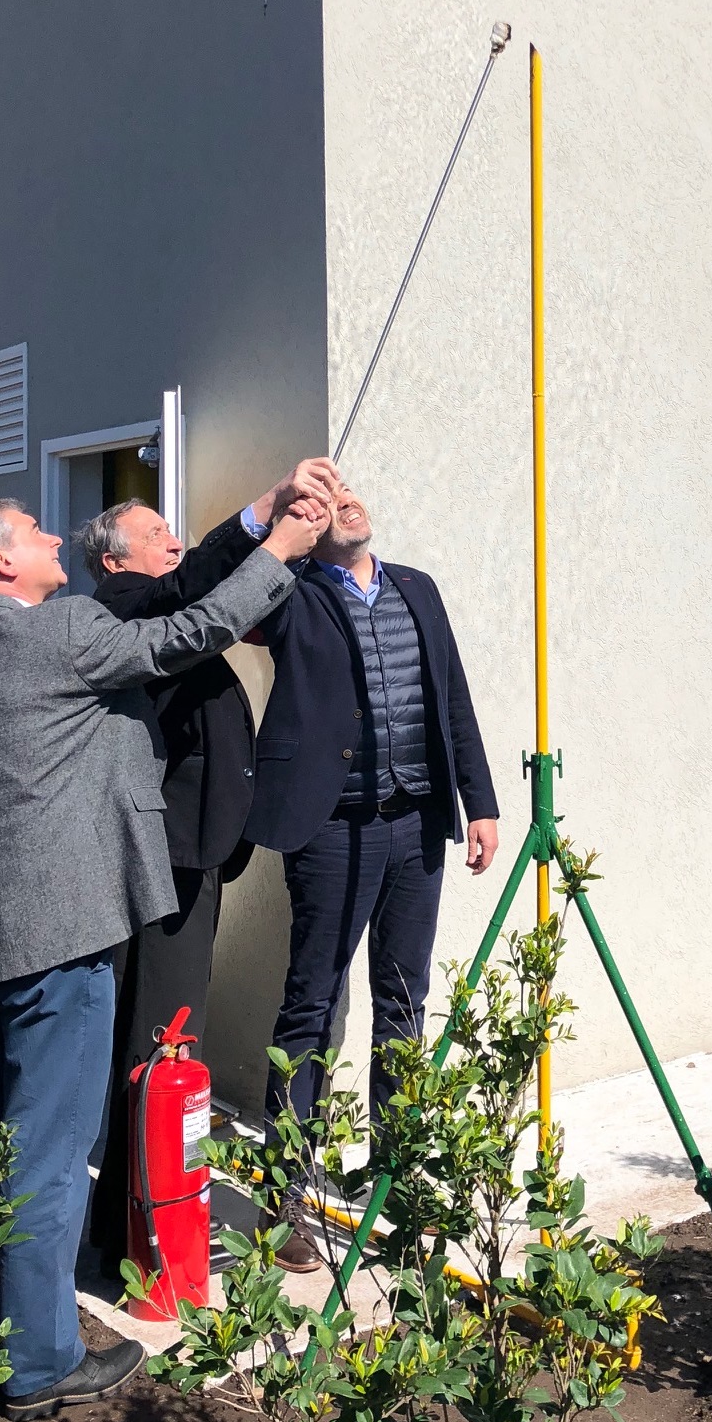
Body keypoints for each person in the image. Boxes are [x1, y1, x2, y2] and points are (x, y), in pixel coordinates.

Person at [0, 494, 324, 1420]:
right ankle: (37, 1364)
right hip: (62, 941)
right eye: (35, 532)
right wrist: (279, 547)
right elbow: (192, 631)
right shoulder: (64, 632)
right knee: (48, 1152)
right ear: (1, 565)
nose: (55, 537)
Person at [79, 457, 341, 1278]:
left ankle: (133, 1218)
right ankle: (140, 1231)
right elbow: (192, 587)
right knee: (159, 1040)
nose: (175, 544)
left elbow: (197, 587)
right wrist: (269, 524)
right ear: (116, 560)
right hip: (167, 860)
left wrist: (270, 515)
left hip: (194, 857)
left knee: (162, 1036)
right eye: (158, 535)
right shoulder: (121, 608)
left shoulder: (150, 605)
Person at [245, 483, 500, 1271]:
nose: (344, 504)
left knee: (404, 1004)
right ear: (306, 525)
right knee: (312, 1006)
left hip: (416, 824)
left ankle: (399, 1188)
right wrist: (270, 524)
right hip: (330, 829)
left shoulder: (417, 587)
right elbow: (231, 597)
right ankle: (285, 1197)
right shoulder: (289, 595)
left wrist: (481, 802)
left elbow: (451, 696)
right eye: (325, 502)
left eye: (348, 494)